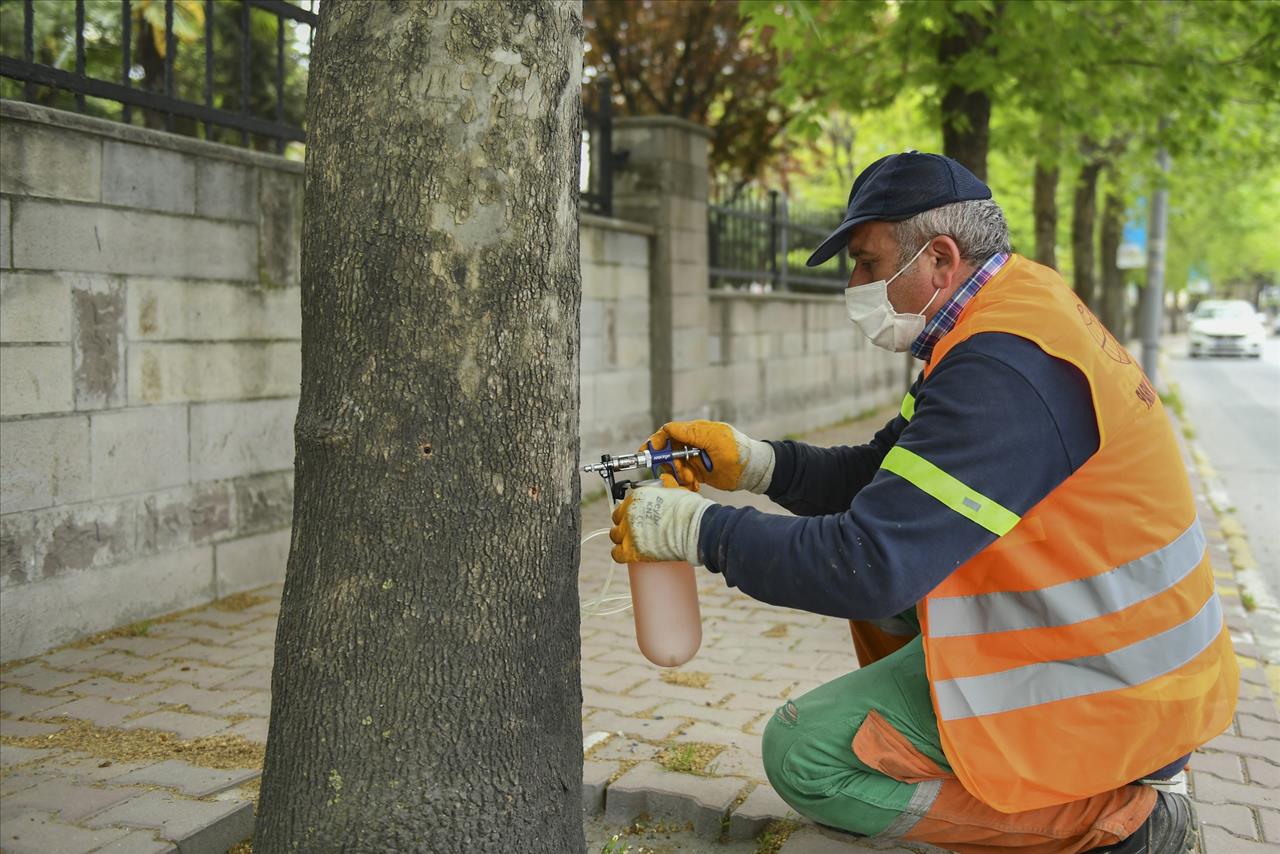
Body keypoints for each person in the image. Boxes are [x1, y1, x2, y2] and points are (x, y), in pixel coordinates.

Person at [608, 151, 1238, 854]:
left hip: (1112, 689)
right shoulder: (1008, 315)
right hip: (1107, 649)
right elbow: (886, 477)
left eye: (867, 264)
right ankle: (990, 758)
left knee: (804, 753)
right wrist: (760, 465)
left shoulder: (1004, 371)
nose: (855, 285)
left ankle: (1130, 823)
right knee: (893, 588)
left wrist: (702, 533)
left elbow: (869, 562)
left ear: (939, 257)